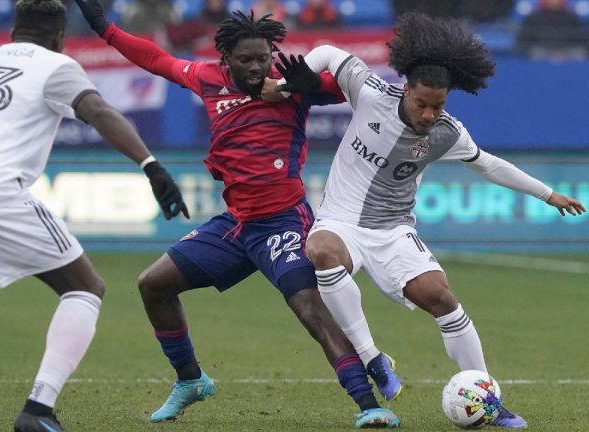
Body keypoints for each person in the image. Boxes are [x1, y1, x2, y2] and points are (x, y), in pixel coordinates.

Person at [73, 0, 401, 428]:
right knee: (153, 284)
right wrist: (105, 29)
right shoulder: (207, 78)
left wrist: (320, 84)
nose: (256, 68)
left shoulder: (287, 86)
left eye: (263, 59)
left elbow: (360, 92)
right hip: (237, 225)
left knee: (310, 309)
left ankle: (369, 405)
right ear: (225, 58)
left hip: (283, 222)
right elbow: (157, 59)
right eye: (246, 59)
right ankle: (190, 380)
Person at [272, 11, 587, 429]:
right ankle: (373, 359)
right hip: (341, 219)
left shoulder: (447, 133)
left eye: (437, 105)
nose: (428, 114)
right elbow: (329, 52)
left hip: (394, 228)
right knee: (321, 250)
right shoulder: (370, 93)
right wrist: (294, 80)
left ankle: (490, 401)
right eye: (422, 103)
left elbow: (488, 165)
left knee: (441, 296)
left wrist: (547, 194)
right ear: (406, 89)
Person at [0, 0, 188, 431]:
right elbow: (99, 112)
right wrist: (151, 166)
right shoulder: (56, 65)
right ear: (59, 37)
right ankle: (38, 410)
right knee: (85, 287)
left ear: (13, 31)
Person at [516, 0, 588, 60]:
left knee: (579, 53)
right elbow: (524, 40)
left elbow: (579, 39)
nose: (554, 1)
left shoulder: (571, 17)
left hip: (567, 51)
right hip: (542, 51)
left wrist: (562, 53)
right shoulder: (534, 17)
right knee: (535, 53)